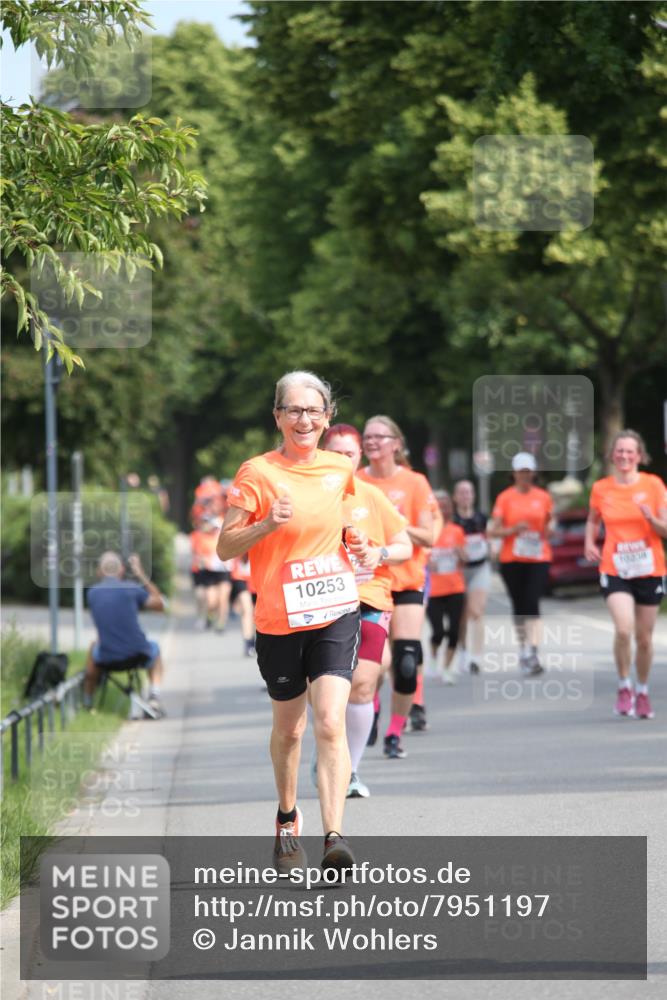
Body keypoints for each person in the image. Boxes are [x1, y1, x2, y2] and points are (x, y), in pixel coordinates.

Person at [217, 371, 372, 874]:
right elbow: (224, 547)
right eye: (294, 410)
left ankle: (334, 838)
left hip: (335, 610)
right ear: (278, 416)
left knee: (329, 721)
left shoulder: (340, 468)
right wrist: (267, 524)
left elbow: (344, 525)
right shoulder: (257, 473)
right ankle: (287, 817)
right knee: (290, 729)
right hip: (279, 618)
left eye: (313, 411)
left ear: (327, 418)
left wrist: (359, 544)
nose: (304, 420)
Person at [324, 424, 412, 796]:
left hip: (370, 597)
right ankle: (329, 749)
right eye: (335, 453)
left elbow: (404, 545)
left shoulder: (372, 496)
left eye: (349, 454)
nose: (342, 460)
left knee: (362, 685)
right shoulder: (308, 496)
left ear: (359, 457)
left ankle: (350, 771)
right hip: (321, 599)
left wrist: (379, 553)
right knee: (325, 693)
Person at [357, 416, 442, 753]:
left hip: (406, 581)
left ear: (396, 443)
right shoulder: (355, 481)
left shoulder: (415, 482)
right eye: (367, 437)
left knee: (406, 661)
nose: (372, 442)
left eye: (380, 436)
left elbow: (429, 536)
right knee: (375, 662)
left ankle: (394, 732)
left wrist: (392, 524)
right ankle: (371, 703)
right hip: (368, 582)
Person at [585, 430, 667, 719]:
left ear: (639, 455)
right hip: (615, 567)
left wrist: (651, 518)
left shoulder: (653, 484)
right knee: (623, 629)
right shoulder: (601, 488)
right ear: (612, 455)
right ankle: (624, 686)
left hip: (649, 569)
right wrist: (589, 542)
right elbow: (593, 519)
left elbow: (665, 529)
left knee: (644, 638)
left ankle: (642, 691)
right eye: (619, 450)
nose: (624, 456)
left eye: (630, 451)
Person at [487, 452, 556, 675]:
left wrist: (550, 529)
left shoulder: (543, 497)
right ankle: (523, 647)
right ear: (514, 473)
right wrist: (513, 530)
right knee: (519, 605)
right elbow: (493, 531)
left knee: (532, 602)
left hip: (538, 557)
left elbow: (550, 523)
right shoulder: (505, 498)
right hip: (512, 559)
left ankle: (532, 652)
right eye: (521, 472)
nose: (525, 475)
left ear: (533, 473)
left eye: (528, 471)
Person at [84, 552, 166, 715]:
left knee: (93, 647)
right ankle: (154, 696)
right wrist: (141, 574)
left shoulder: (92, 593)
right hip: (138, 654)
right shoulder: (132, 589)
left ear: (99, 572)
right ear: (121, 570)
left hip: (107, 657)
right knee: (155, 648)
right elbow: (160, 605)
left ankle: (87, 702)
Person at [427, 491, 467, 685]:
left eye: (446, 505)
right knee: (438, 632)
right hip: (433, 589)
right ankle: (434, 659)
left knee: (454, 631)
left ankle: (447, 668)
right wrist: (428, 563)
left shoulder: (457, 531)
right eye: (439, 505)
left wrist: (461, 554)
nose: (443, 509)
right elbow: (417, 557)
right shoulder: (428, 531)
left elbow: (465, 560)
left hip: (455, 588)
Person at [452, 479, 491, 674]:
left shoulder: (481, 518)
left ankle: (476, 656)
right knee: (461, 615)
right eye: (461, 492)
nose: (465, 496)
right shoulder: (451, 520)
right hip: (458, 570)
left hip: (479, 569)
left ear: (473, 496)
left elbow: (489, 537)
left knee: (477, 611)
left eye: (468, 492)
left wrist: (491, 548)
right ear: (455, 497)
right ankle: (463, 651)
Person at [189, 515, 233, 631]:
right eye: (214, 528)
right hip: (210, 571)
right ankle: (210, 615)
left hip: (224, 572)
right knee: (211, 600)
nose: (215, 530)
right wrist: (205, 561)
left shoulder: (226, 539)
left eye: (218, 528)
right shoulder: (204, 538)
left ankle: (221, 622)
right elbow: (198, 556)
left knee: (223, 597)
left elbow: (235, 554)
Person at [230, 554, 257, 656]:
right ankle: (248, 643)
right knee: (247, 610)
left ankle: (253, 640)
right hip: (240, 577)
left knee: (256, 613)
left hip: (257, 577)